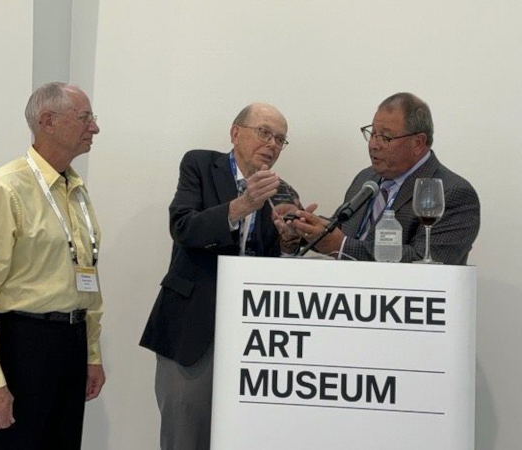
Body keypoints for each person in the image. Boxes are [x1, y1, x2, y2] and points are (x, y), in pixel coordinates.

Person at [140, 103, 314, 450]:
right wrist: (241, 206)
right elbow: (183, 228)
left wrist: (289, 242)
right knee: (184, 432)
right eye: (264, 133)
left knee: (242, 434)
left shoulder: (282, 192)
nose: (273, 145)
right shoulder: (201, 166)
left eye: (280, 139)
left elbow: (277, 270)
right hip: (192, 324)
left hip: (252, 336)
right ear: (236, 133)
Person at [0, 82, 106, 450]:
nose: (95, 128)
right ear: (47, 121)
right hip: (20, 348)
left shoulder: (76, 190)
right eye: (85, 118)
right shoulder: (4, 190)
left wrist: (91, 354)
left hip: (69, 345)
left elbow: (87, 277)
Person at [290, 92, 480, 265]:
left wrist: (342, 246)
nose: (373, 144)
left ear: (418, 143)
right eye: (372, 134)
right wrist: (302, 229)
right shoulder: (366, 179)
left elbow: (425, 259)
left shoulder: (453, 193)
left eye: (385, 137)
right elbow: (337, 234)